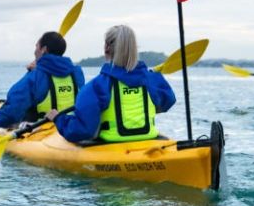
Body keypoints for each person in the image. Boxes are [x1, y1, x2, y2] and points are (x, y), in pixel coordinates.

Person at [45, 24, 175, 143]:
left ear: (106, 47)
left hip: (112, 145)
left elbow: (83, 130)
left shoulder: (96, 87)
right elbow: (167, 102)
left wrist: (59, 119)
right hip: (148, 140)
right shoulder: (153, 79)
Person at [0, 31, 85, 137]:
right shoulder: (77, 72)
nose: (34, 51)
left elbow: (13, 111)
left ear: (43, 50)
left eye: (36, 46)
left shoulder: (35, 77)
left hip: (40, 128)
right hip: (70, 124)